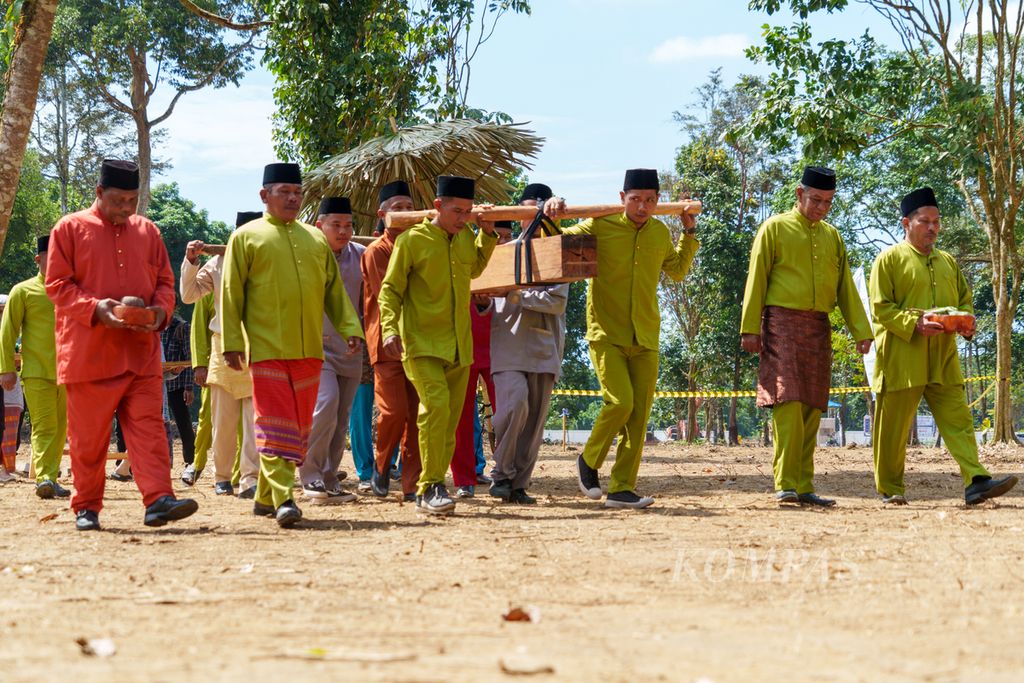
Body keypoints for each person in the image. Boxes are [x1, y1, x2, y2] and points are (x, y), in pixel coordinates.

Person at [45, 159, 198, 531]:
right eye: (118, 201)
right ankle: (86, 507)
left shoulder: (148, 231)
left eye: (132, 200)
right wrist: (96, 308)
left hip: (141, 353)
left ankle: (159, 499)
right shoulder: (69, 228)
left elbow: (164, 281)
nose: (126, 208)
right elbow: (57, 285)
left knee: (148, 428)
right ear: (99, 193)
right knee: (88, 439)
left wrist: (158, 314)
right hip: (88, 354)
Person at [221, 163, 363, 527]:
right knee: (273, 424)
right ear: (264, 195)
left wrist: (351, 327)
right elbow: (230, 293)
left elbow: (334, 292)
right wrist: (233, 341)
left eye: (297, 192)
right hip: (266, 348)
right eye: (284, 191)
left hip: (309, 351)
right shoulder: (246, 237)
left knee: (299, 429)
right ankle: (284, 497)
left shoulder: (314, 239)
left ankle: (265, 497)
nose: (292, 198)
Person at [545, 169, 698, 509]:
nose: (642, 207)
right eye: (635, 200)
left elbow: (677, 269)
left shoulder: (659, 233)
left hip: (646, 335)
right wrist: (551, 211)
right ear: (621, 198)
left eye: (650, 201)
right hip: (607, 333)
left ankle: (621, 488)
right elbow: (558, 242)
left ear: (658, 202)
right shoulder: (601, 224)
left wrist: (689, 232)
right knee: (620, 402)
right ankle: (588, 460)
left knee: (638, 416)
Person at [869, 187, 1017, 505]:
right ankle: (891, 488)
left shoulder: (948, 262)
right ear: (906, 222)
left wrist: (966, 323)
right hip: (902, 357)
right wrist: (915, 323)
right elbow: (881, 308)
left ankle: (976, 480)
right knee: (892, 429)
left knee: (959, 420)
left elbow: (963, 301)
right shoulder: (888, 260)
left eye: (937, 221)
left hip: (943, 358)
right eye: (925, 221)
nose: (933, 227)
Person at [739, 166, 872, 507]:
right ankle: (785, 484)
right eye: (816, 200)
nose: (821, 208)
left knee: (813, 404)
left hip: (818, 327)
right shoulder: (774, 228)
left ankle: (804, 484)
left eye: (828, 202)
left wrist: (861, 331)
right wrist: (750, 328)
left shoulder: (833, 237)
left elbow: (845, 288)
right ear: (799, 194)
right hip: (781, 323)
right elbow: (757, 279)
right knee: (788, 400)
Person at [378, 175, 498, 514]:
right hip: (420, 343)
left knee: (448, 420)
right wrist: (390, 329)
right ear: (436, 207)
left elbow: (474, 269)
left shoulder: (463, 239)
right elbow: (390, 290)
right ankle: (430, 486)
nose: (463, 218)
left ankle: (431, 486)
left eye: (468, 212)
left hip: (460, 345)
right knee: (435, 409)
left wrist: (486, 235)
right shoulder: (412, 241)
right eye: (457, 211)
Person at [488, 185, 569, 504]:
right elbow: (485, 296)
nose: (532, 219)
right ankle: (501, 473)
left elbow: (556, 301)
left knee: (534, 421)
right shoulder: (503, 252)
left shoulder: (558, 251)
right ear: (519, 215)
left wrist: (514, 293)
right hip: (508, 342)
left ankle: (518, 485)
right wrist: (486, 299)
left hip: (546, 346)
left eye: (538, 211)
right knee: (514, 405)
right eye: (526, 212)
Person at [180, 211, 263, 498]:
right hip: (222, 345)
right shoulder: (216, 263)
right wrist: (191, 261)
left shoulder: (268, 261)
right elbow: (189, 295)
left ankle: (250, 479)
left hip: (260, 347)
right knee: (223, 421)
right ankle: (222, 477)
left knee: (255, 421)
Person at [362, 180, 421, 501]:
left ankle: (412, 484)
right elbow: (393, 291)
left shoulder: (424, 244)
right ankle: (382, 466)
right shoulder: (377, 251)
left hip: (422, 343)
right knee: (393, 413)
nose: (405, 213)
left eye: (410, 208)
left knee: (418, 418)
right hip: (387, 343)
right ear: (382, 214)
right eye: (398, 208)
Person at [301, 196, 363, 504]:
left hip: (351, 350)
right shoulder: (306, 256)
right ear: (319, 226)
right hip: (314, 348)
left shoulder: (362, 257)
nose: (343, 231)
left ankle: (329, 479)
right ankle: (310, 476)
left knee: (341, 418)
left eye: (348, 225)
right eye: (335, 225)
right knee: (325, 405)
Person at [0, 235, 69, 498]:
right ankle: (45, 478)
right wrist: (6, 368)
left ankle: (51, 476)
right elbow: (7, 333)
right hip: (36, 372)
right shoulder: (23, 290)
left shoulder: (69, 292)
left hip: (69, 373)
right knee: (44, 426)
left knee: (61, 428)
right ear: (38, 259)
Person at [181, 293, 214, 486]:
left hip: (251, 362)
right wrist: (200, 364)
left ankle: (241, 472)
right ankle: (197, 463)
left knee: (245, 422)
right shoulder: (208, 283)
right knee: (206, 418)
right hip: (216, 363)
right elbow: (199, 328)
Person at [161, 315, 196, 468]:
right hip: (159, 384)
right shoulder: (157, 326)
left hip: (178, 385)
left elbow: (189, 358)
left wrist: (188, 387)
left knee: (184, 424)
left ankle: (190, 461)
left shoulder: (183, 327)